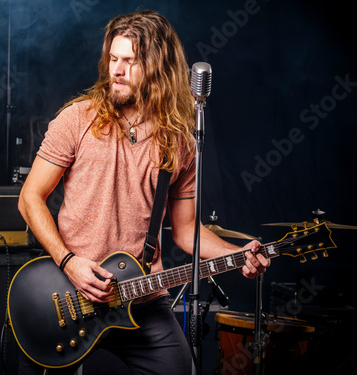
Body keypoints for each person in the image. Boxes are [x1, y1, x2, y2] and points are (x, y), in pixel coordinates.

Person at [17, 9, 270, 375]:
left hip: (142, 296)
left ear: (157, 68)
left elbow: (186, 233)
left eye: (129, 62)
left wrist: (238, 253)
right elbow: (30, 198)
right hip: (68, 292)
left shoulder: (179, 141)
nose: (115, 71)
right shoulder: (76, 119)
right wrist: (68, 262)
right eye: (113, 59)